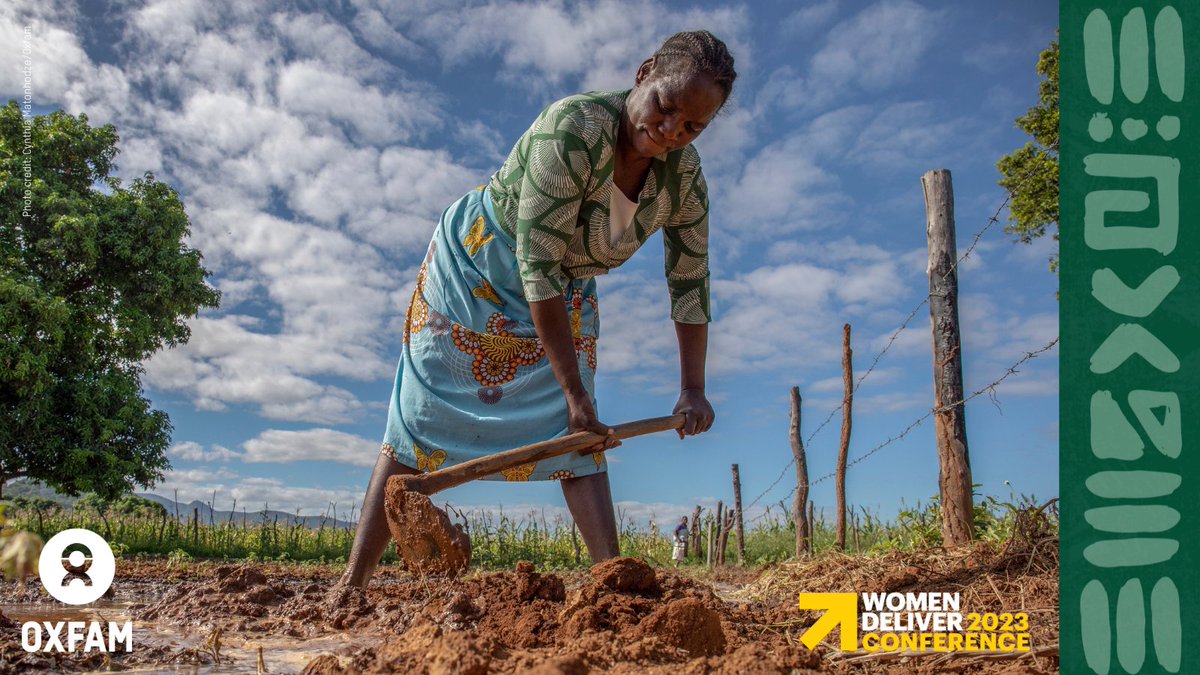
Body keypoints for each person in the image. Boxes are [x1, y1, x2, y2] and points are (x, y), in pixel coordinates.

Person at [339, 30, 736, 588]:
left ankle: (613, 586)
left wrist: (692, 387)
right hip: (478, 266)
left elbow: (689, 280)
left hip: (564, 287)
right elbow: (537, 265)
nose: (671, 131)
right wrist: (571, 389)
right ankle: (351, 586)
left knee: (582, 434)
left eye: (692, 126)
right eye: (665, 106)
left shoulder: (686, 178)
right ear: (646, 72)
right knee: (418, 421)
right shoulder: (572, 129)